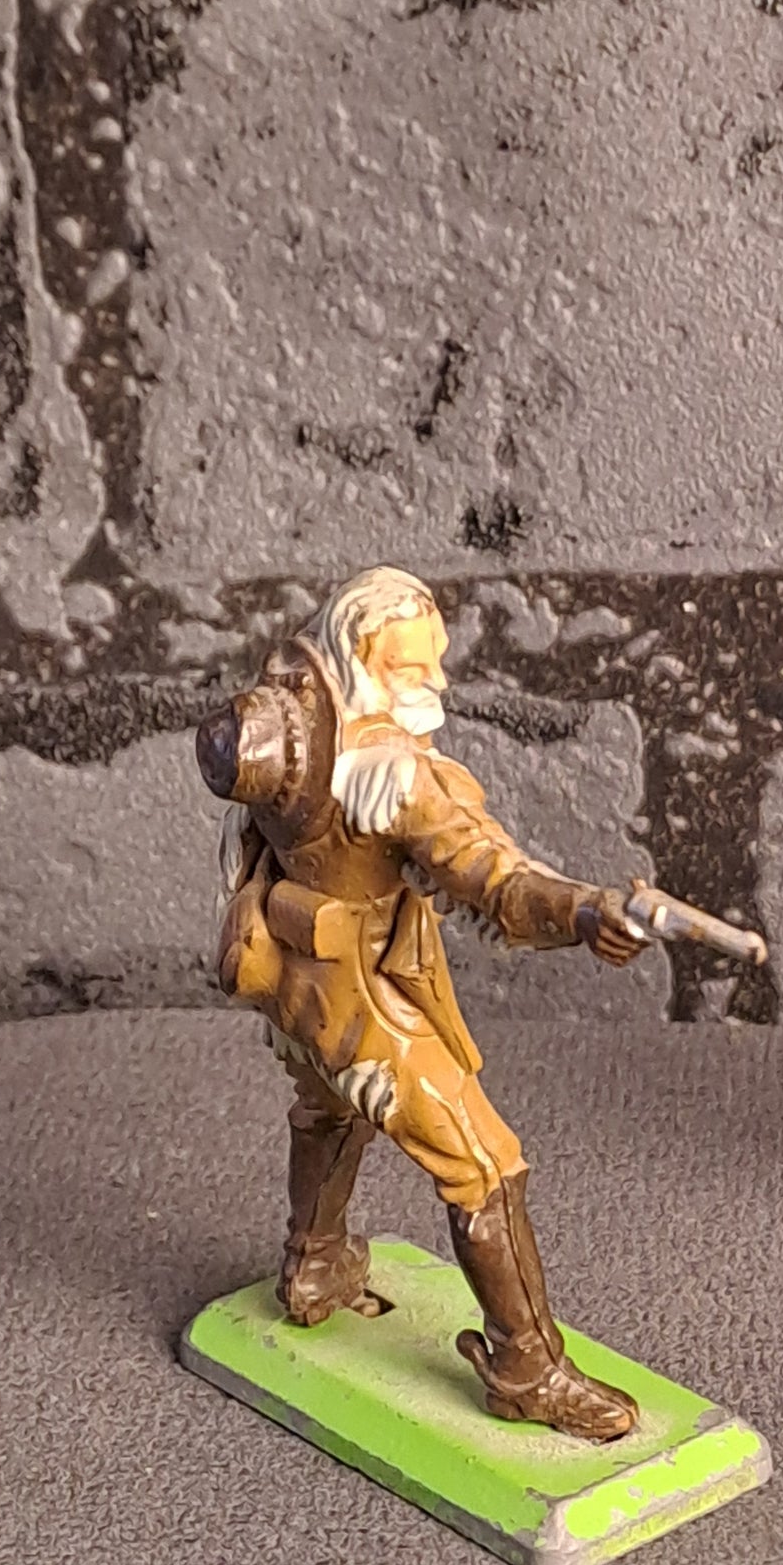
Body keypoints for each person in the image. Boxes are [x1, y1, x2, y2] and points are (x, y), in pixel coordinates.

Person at [197, 566, 652, 1440]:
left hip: (295, 980)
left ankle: (314, 1265)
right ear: (357, 664)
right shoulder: (397, 779)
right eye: (411, 669)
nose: (434, 685)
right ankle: (527, 1369)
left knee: (328, 1110)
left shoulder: (286, 727)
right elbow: (501, 885)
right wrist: (587, 912)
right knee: (484, 1165)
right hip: (364, 996)